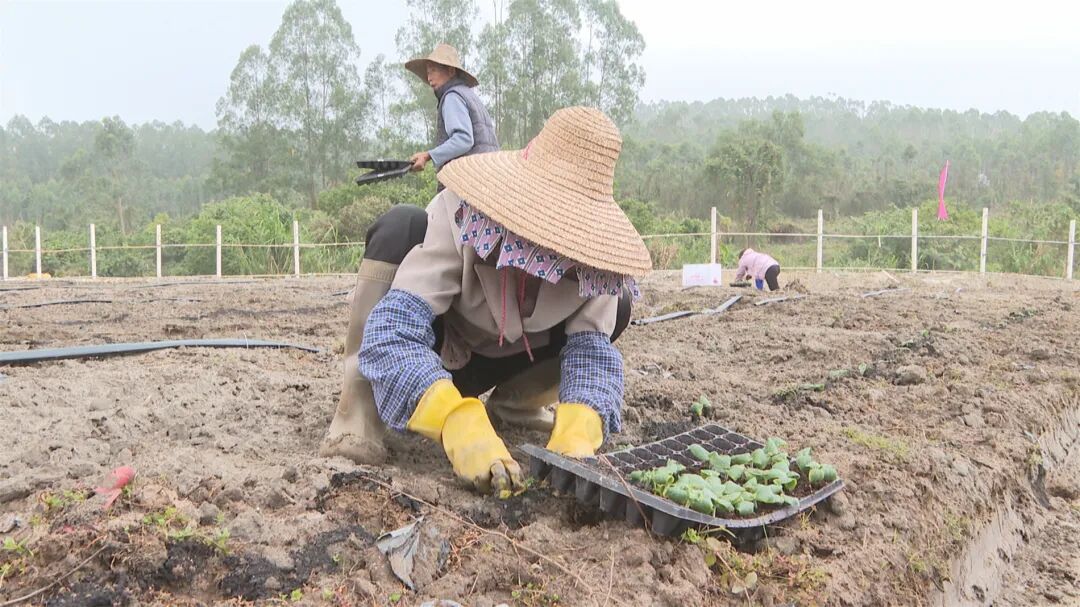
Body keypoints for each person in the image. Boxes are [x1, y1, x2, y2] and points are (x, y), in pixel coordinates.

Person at [320, 107, 651, 494]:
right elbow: (393, 332)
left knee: (620, 307)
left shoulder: (595, 263)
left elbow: (591, 355)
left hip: (513, 360)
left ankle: (517, 403)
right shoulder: (462, 213)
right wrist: (456, 419)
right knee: (399, 225)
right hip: (442, 351)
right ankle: (360, 407)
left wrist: (579, 431)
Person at [404, 43, 499, 180]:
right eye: (428, 72)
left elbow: (464, 139)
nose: (429, 78)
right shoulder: (470, 96)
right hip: (488, 175)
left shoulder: (452, 97)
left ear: (450, 71)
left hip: (470, 179)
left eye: (433, 71)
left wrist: (427, 155)